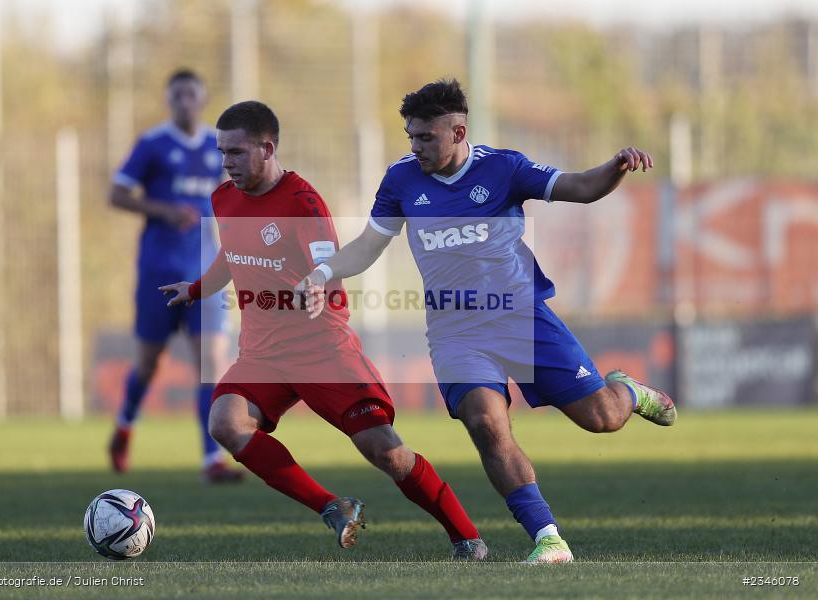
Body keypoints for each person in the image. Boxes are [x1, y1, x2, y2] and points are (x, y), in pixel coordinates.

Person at [296, 79, 677, 563]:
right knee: (485, 421)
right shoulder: (401, 179)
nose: (416, 147)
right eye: (410, 136)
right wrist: (324, 271)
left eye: (425, 137)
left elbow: (580, 188)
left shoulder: (504, 167)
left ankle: (628, 391)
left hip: (521, 318)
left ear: (458, 131)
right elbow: (370, 245)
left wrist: (616, 166)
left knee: (602, 418)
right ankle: (548, 538)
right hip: (455, 332)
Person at [159, 100, 486, 559]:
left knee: (385, 451)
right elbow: (231, 255)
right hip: (262, 354)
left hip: (322, 350)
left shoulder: (302, 202)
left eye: (235, 152)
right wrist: (196, 289)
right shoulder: (223, 199)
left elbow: (325, 258)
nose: (226, 162)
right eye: (222, 152)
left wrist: (319, 282)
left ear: (267, 148)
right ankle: (334, 507)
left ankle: (466, 536)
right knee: (226, 423)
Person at [108, 68, 241, 483]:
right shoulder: (152, 144)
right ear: (170, 100)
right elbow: (116, 194)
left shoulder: (216, 147)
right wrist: (164, 210)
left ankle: (210, 460)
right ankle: (125, 424)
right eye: (178, 95)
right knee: (149, 364)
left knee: (211, 362)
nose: (185, 102)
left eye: (191, 95)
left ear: (202, 100)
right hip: (158, 271)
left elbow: (233, 199)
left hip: (204, 273)